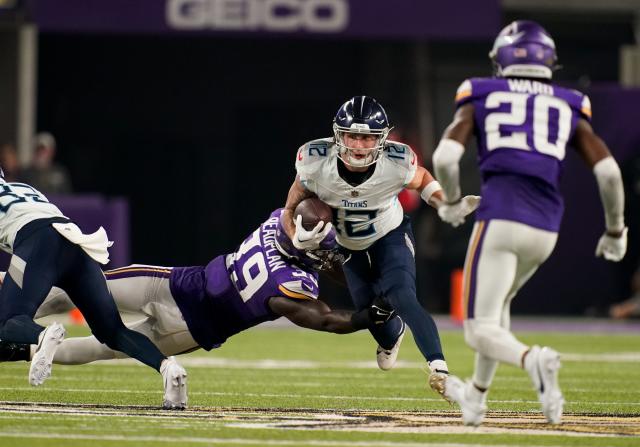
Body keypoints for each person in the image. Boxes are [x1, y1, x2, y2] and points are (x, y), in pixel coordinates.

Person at [432, 20, 628, 426]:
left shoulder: (479, 92)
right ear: (549, 61)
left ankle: (533, 360)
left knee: (476, 328)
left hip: (501, 216)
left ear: (501, 59)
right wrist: (614, 230)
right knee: (497, 307)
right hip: (546, 228)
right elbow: (609, 174)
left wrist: (450, 203)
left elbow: (446, 158)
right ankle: (476, 397)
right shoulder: (569, 101)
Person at [0, 207, 395, 367]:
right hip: (189, 325)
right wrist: (364, 317)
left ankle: (13, 310)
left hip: (176, 284)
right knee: (84, 351)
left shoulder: (281, 219)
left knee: (75, 290)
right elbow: (324, 319)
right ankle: (21, 338)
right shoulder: (288, 283)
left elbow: (307, 208)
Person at [280, 96, 480, 399]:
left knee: (402, 294)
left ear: (381, 139)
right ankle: (391, 333)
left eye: (367, 137)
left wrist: (444, 204)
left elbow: (422, 178)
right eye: (352, 136)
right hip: (347, 246)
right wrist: (296, 236)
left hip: (390, 234)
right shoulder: (314, 161)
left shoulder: (396, 161)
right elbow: (289, 209)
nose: (359, 145)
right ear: (338, 136)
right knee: (371, 314)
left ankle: (440, 369)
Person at [0, 174, 188, 409]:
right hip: (74, 242)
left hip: (37, 242)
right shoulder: (21, 187)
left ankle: (42, 336)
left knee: (8, 321)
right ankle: (168, 368)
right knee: (112, 331)